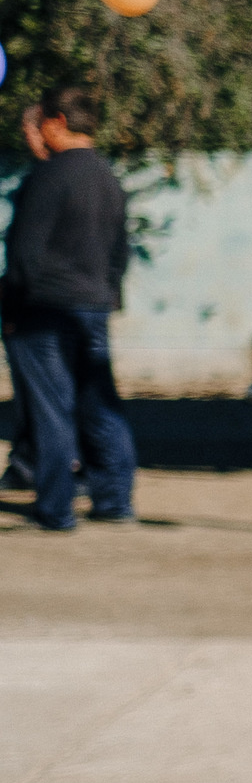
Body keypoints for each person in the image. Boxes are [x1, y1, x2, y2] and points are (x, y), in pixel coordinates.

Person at [4, 86, 137, 532]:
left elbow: (24, 252)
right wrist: (107, 295)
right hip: (93, 306)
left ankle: (56, 508)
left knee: (51, 409)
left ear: (58, 122)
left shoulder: (48, 177)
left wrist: (12, 303)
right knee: (98, 404)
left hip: (43, 310)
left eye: (41, 122)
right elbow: (121, 251)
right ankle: (115, 499)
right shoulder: (108, 177)